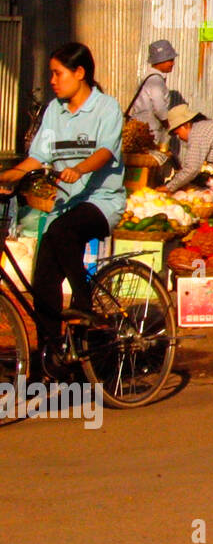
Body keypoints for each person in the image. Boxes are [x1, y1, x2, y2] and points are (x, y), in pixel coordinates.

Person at [0, 43, 125, 366]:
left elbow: (106, 152)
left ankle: (84, 303)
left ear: (80, 73)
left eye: (58, 73)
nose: (53, 81)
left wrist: (80, 168)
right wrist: (10, 175)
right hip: (63, 207)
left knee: (61, 231)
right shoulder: (55, 110)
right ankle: (50, 359)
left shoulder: (106, 107)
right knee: (43, 284)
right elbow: (39, 157)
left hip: (101, 201)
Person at [127, 39, 179, 147]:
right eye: (170, 60)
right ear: (161, 61)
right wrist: (168, 126)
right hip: (150, 132)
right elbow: (159, 108)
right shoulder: (156, 81)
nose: (173, 64)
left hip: (143, 129)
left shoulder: (149, 78)